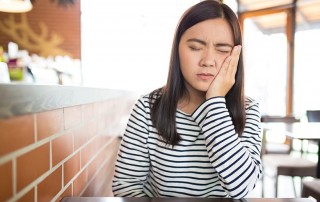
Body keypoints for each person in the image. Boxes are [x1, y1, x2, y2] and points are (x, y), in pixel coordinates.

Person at [112, 0, 262, 198]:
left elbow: (242, 187)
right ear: (178, 50)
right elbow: (126, 187)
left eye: (223, 50)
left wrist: (215, 101)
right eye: (195, 47)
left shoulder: (248, 109)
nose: (208, 61)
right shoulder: (147, 108)